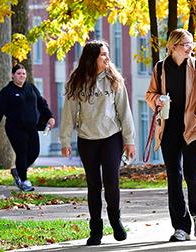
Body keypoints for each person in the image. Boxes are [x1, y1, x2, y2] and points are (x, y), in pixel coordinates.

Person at [60, 40, 135, 246]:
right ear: (91, 58)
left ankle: (115, 220)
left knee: (112, 182)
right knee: (94, 185)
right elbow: (68, 113)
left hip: (112, 137)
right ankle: (96, 229)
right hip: (87, 139)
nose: (107, 58)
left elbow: (124, 112)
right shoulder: (76, 81)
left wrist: (129, 141)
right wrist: (65, 140)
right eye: (103, 54)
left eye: (107, 54)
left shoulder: (114, 80)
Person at [145, 28, 196, 242]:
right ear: (173, 46)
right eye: (186, 44)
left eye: (191, 43)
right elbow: (150, 94)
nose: (190, 47)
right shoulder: (160, 68)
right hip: (168, 130)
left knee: (192, 175)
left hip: (193, 128)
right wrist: (156, 99)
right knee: (174, 178)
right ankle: (181, 226)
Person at [0, 64, 55, 192]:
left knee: (34, 152)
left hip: (32, 127)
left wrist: (50, 116)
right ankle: (24, 181)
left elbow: (41, 103)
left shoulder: (31, 88)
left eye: (23, 73)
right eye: (18, 73)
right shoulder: (6, 92)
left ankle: (18, 171)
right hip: (15, 128)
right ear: (12, 75)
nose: (21, 76)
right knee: (22, 152)